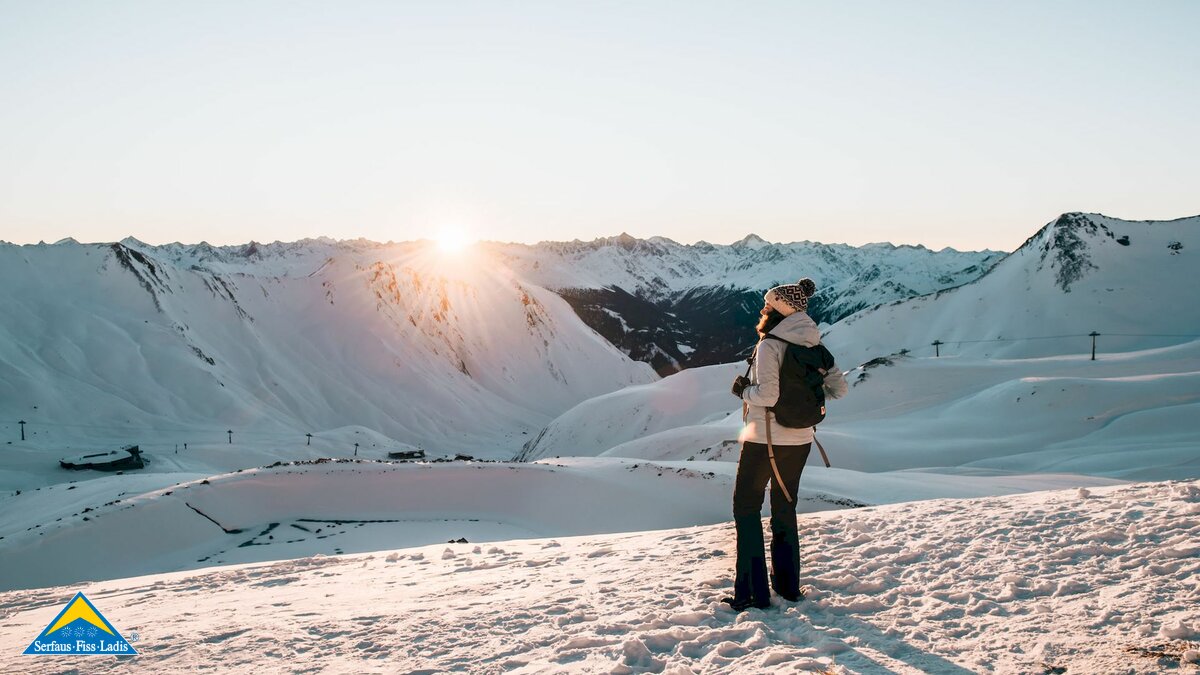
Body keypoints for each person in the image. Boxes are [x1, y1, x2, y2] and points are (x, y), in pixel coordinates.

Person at [723, 278, 848, 611]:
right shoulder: (815, 345)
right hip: (801, 439)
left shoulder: (770, 345)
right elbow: (840, 389)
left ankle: (751, 594)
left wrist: (742, 391)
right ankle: (788, 587)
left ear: (780, 309)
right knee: (784, 507)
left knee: (746, 509)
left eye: (768, 304)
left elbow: (767, 396)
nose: (763, 309)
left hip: (765, 438)